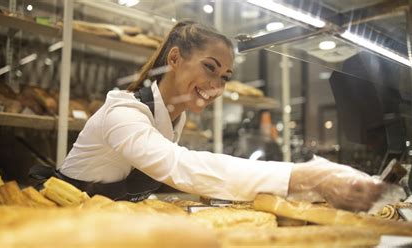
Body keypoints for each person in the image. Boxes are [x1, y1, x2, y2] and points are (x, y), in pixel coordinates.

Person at [58, 20, 383, 211]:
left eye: (225, 77)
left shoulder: (175, 116)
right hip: (59, 215)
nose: (216, 85)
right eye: (209, 68)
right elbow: (179, 165)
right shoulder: (123, 111)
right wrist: (307, 176)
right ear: (174, 58)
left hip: (103, 217)